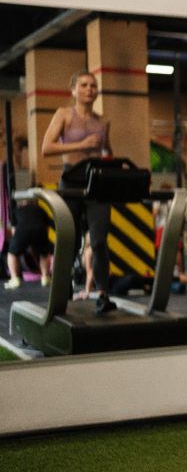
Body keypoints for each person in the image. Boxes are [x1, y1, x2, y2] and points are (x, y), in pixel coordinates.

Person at [40, 70, 115, 313]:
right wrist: (81, 145)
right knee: (69, 242)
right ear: (73, 90)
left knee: (100, 241)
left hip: (97, 183)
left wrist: (110, 161)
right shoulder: (64, 114)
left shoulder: (103, 122)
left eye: (93, 85)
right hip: (71, 181)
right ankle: (64, 286)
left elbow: (107, 152)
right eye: (83, 85)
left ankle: (103, 293)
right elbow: (46, 148)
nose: (89, 89)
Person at [4, 201, 52, 289]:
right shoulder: (40, 209)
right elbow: (47, 227)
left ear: (22, 203)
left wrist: (19, 245)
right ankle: (45, 278)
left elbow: (14, 231)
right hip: (40, 230)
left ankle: (14, 279)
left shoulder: (17, 210)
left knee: (12, 254)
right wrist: (43, 242)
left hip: (22, 230)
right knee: (44, 254)